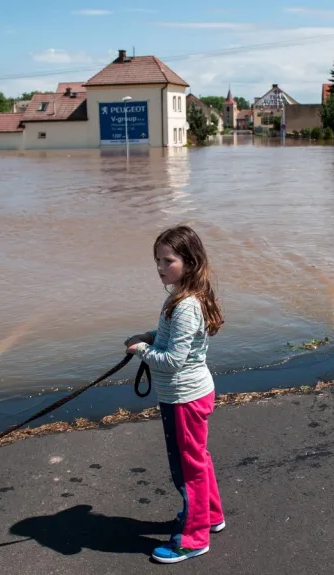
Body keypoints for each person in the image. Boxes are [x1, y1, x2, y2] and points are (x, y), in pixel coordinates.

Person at [125, 224, 225, 564]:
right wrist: (149, 336)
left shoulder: (185, 305)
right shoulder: (181, 297)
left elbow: (171, 361)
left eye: (167, 260)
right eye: (157, 260)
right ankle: (210, 515)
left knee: (188, 469)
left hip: (184, 398)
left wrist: (141, 350)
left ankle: (193, 538)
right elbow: (169, 335)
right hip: (190, 395)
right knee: (198, 460)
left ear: (190, 261)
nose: (160, 268)